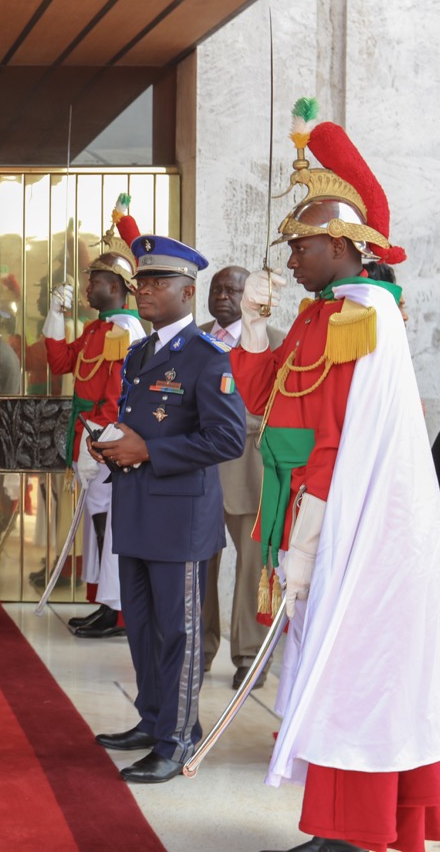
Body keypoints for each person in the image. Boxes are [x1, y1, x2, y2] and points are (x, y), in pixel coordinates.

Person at [232, 108, 440, 852]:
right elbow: (265, 397)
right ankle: (340, 824)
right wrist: (254, 324)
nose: (289, 263)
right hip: (307, 506)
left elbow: (342, 441)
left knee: (351, 663)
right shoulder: (324, 315)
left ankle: (355, 831)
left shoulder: (366, 318)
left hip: (344, 515)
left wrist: (312, 537)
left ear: (346, 244)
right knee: (321, 657)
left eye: (301, 246)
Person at [90, 234, 245, 784]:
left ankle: (178, 738)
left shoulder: (206, 357)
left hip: (179, 522)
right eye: (142, 282)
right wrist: (112, 442)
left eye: (157, 283)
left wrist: (147, 450)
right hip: (136, 510)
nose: (145, 291)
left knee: (177, 634)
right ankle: (153, 719)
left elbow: (228, 439)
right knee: (142, 629)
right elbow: (142, 424)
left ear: (187, 290)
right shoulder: (140, 352)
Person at [42, 197, 146, 640]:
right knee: (96, 525)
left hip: (103, 442)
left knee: (109, 526)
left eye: (96, 281)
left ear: (118, 286)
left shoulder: (125, 333)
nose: (88, 287)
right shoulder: (96, 329)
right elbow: (63, 363)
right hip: (86, 437)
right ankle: (105, 603)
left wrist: (98, 443)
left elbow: (118, 396)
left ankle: (117, 610)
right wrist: (54, 315)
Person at [198, 265, 283, 688]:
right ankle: (198, 650)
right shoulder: (193, 338)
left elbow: (274, 409)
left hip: (250, 472)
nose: (224, 296)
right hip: (197, 472)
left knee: (253, 570)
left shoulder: (275, 342)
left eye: (234, 289)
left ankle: (250, 656)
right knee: (198, 568)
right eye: (218, 288)